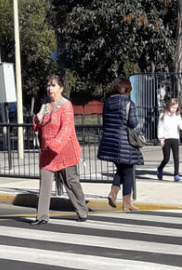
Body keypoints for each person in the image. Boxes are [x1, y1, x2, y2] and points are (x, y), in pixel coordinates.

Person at [31, 75, 88, 225]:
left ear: (61, 88)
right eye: (48, 85)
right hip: (47, 152)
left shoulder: (66, 105)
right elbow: (39, 125)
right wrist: (37, 120)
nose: (50, 88)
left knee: (71, 182)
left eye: (53, 85)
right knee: (45, 182)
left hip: (64, 150)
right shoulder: (45, 106)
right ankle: (42, 216)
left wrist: (54, 144)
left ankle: (82, 211)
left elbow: (66, 129)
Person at [97, 77, 143, 212]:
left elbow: (105, 123)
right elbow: (133, 123)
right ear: (127, 89)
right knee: (128, 170)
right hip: (125, 142)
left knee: (121, 169)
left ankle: (114, 193)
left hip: (110, 141)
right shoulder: (129, 103)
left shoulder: (107, 103)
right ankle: (127, 203)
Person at [156, 98, 182, 181]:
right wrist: (161, 138)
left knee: (176, 157)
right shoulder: (163, 115)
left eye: (176, 108)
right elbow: (160, 127)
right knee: (166, 158)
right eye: (172, 107)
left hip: (175, 138)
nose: (174, 109)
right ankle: (160, 168)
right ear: (169, 106)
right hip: (166, 138)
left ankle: (176, 174)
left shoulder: (177, 116)